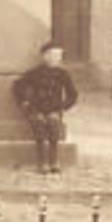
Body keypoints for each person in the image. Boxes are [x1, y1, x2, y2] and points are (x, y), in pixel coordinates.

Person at [13, 41, 79, 175]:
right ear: (45, 56)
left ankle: (54, 161)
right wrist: (24, 102)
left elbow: (73, 94)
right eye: (54, 55)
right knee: (39, 124)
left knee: (54, 124)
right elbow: (17, 86)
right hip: (36, 108)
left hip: (54, 109)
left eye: (59, 56)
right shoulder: (34, 73)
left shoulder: (63, 74)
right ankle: (41, 162)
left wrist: (63, 107)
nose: (58, 59)